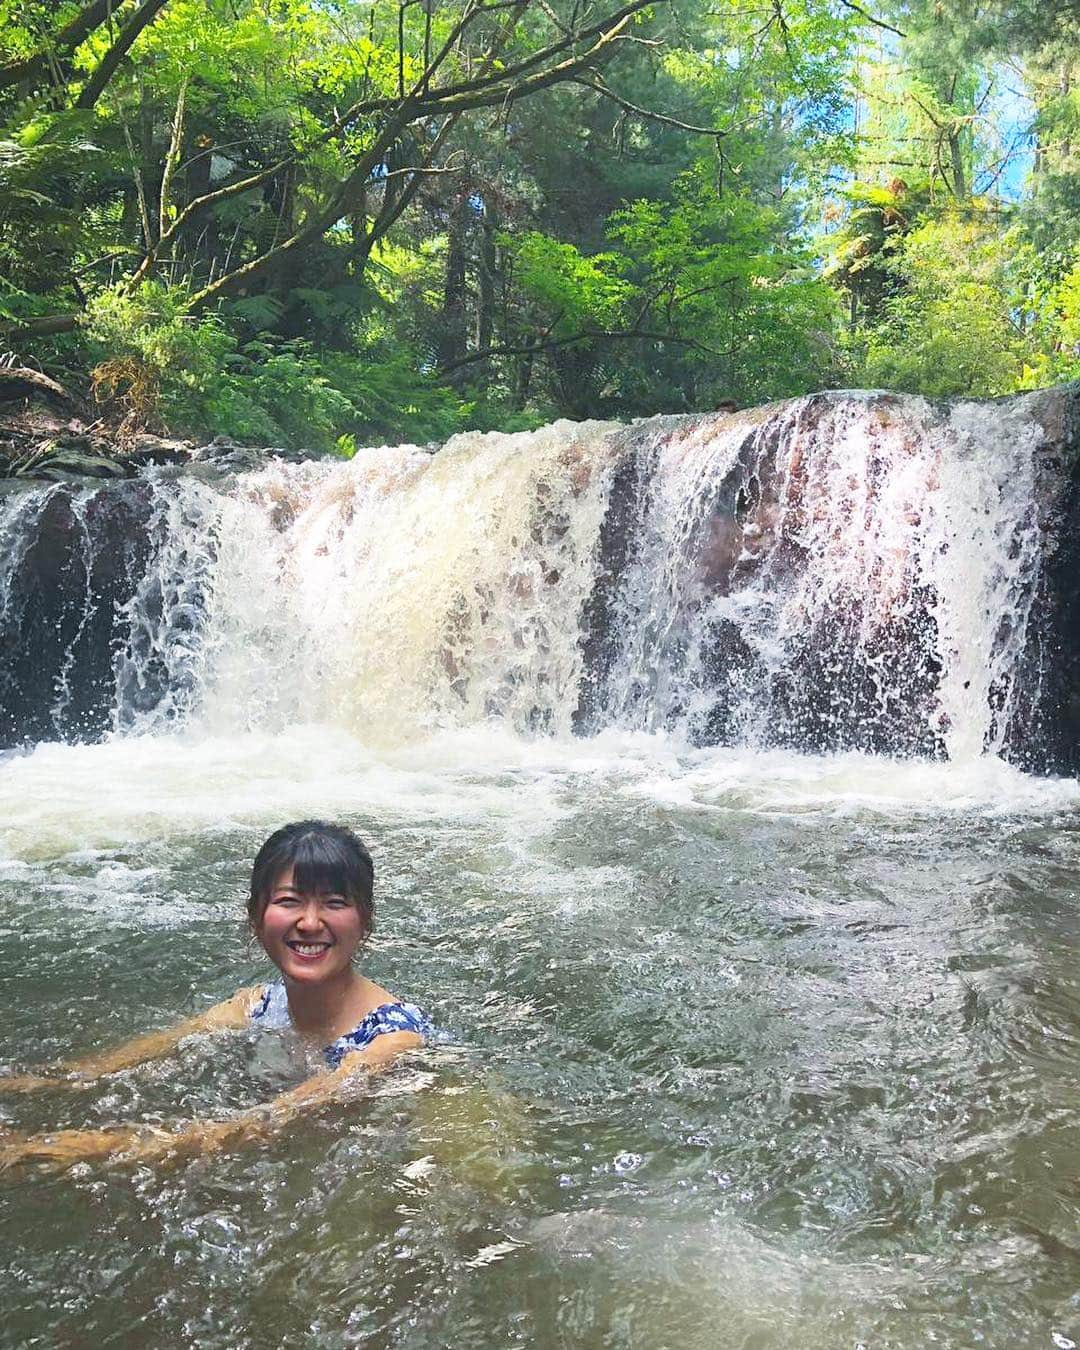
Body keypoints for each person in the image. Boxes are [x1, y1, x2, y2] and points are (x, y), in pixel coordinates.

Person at [0, 821, 432, 1172]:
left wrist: (80, 1147)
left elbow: (264, 1123)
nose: (310, 922)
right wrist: (38, 1082)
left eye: (334, 903)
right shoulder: (260, 1004)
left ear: (366, 920)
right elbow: (118, 1065)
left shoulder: (390, 1042)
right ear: (255, 917)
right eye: (289, 901)